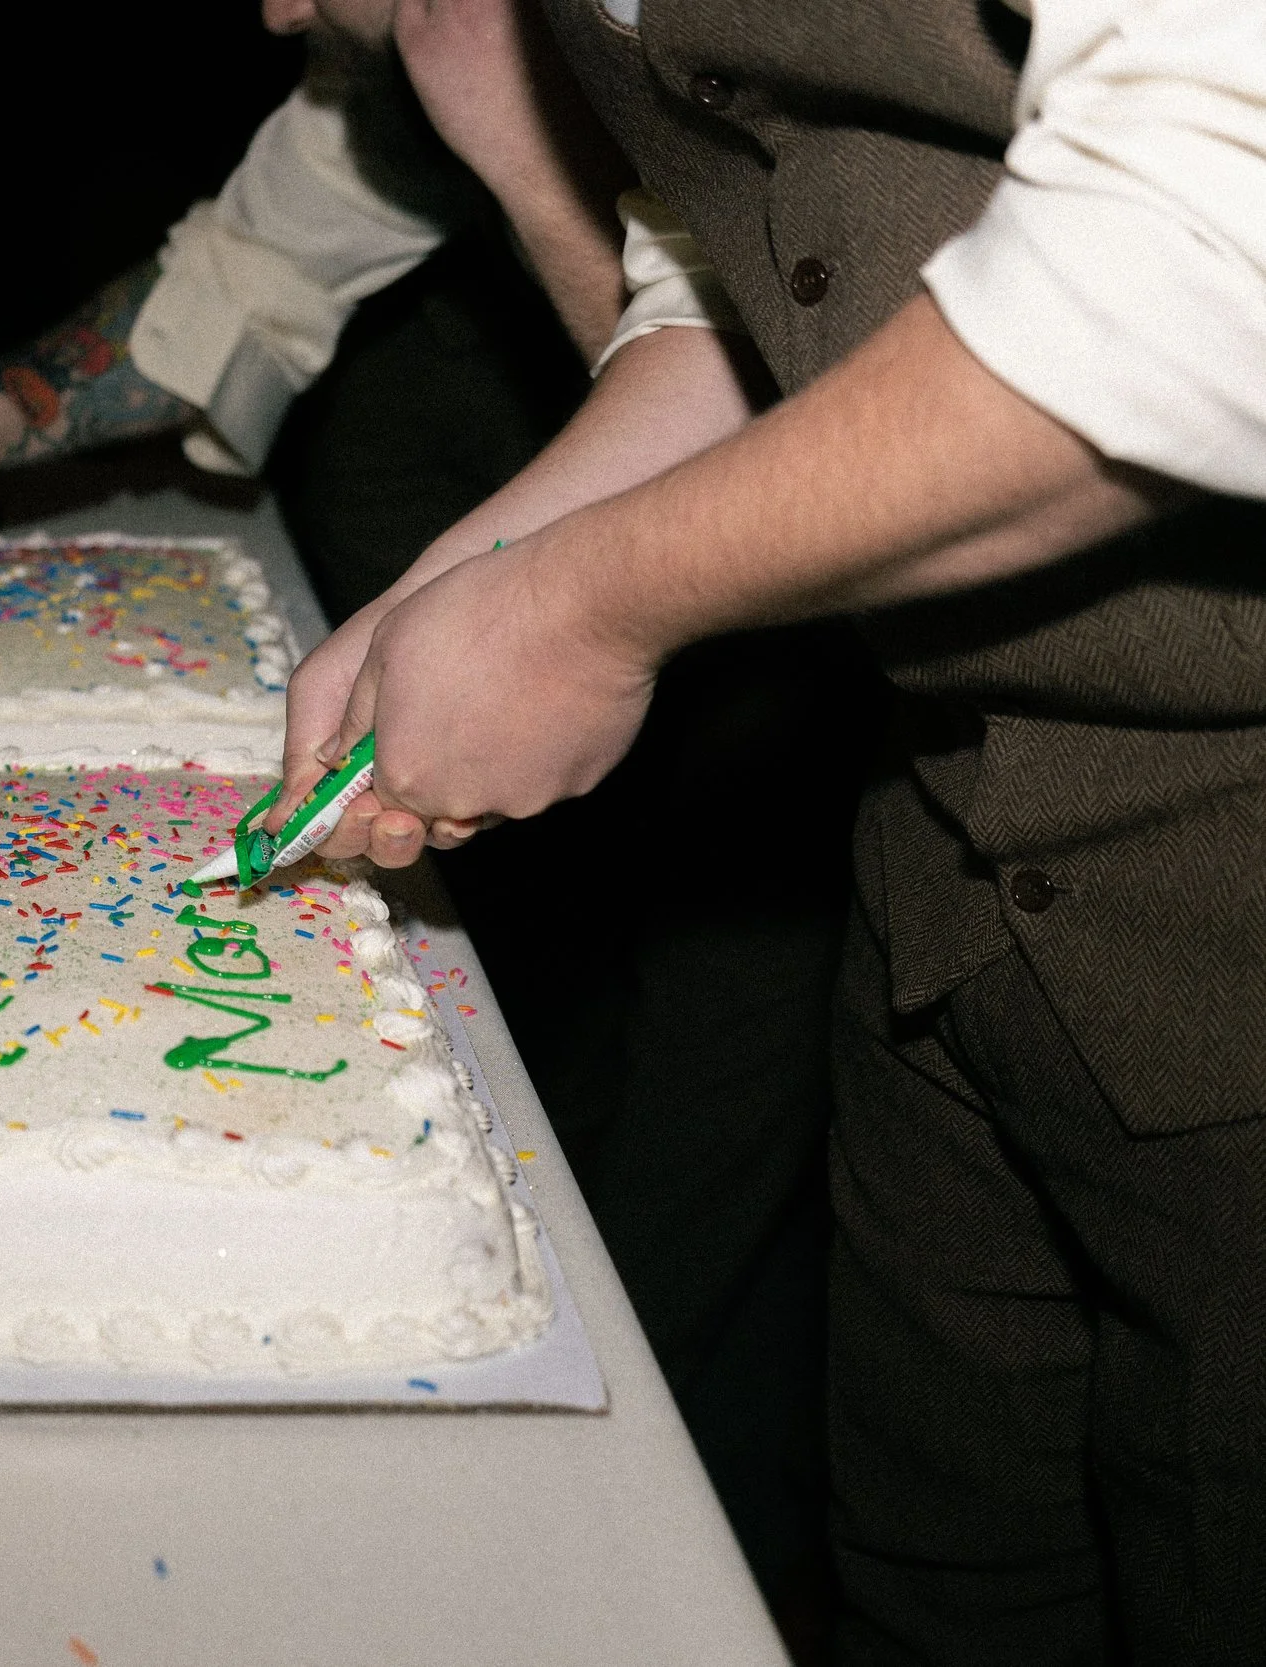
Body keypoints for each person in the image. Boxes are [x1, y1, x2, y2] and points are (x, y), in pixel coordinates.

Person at [0, 3, 873, 1636]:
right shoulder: (413, 45)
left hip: (789, 723)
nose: (279, 10)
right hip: (570, 671)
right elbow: (249, 258)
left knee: (682, 1264)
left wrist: (517, 150)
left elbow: (732, 376)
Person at [268, 0, 1266, 1659]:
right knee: (943, 1573)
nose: (290, 17)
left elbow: (1208, 242)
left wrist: (584, 612)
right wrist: (494, 572)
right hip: (944, 828)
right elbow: (761, 293)